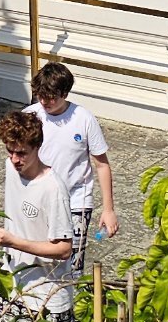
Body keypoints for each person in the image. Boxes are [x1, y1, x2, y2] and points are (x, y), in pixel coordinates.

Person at [0, 109, 82, 319]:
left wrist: (13, 242)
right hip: (13, 286)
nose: (15, 159)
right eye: (10, 151)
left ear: (37, 147)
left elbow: (64, 249)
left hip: (46, 297)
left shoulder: (53, 189)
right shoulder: (11, 168)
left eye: (22, 153)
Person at [24, 61, 118, 241]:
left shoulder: (84, 119)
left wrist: (108, 210)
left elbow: (102, 165)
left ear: (64, 93)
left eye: (51, 97)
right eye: (41, 96)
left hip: (76, 200)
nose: (44, 102)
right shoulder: (30, 116)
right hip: (37, 199)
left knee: (72, 256)